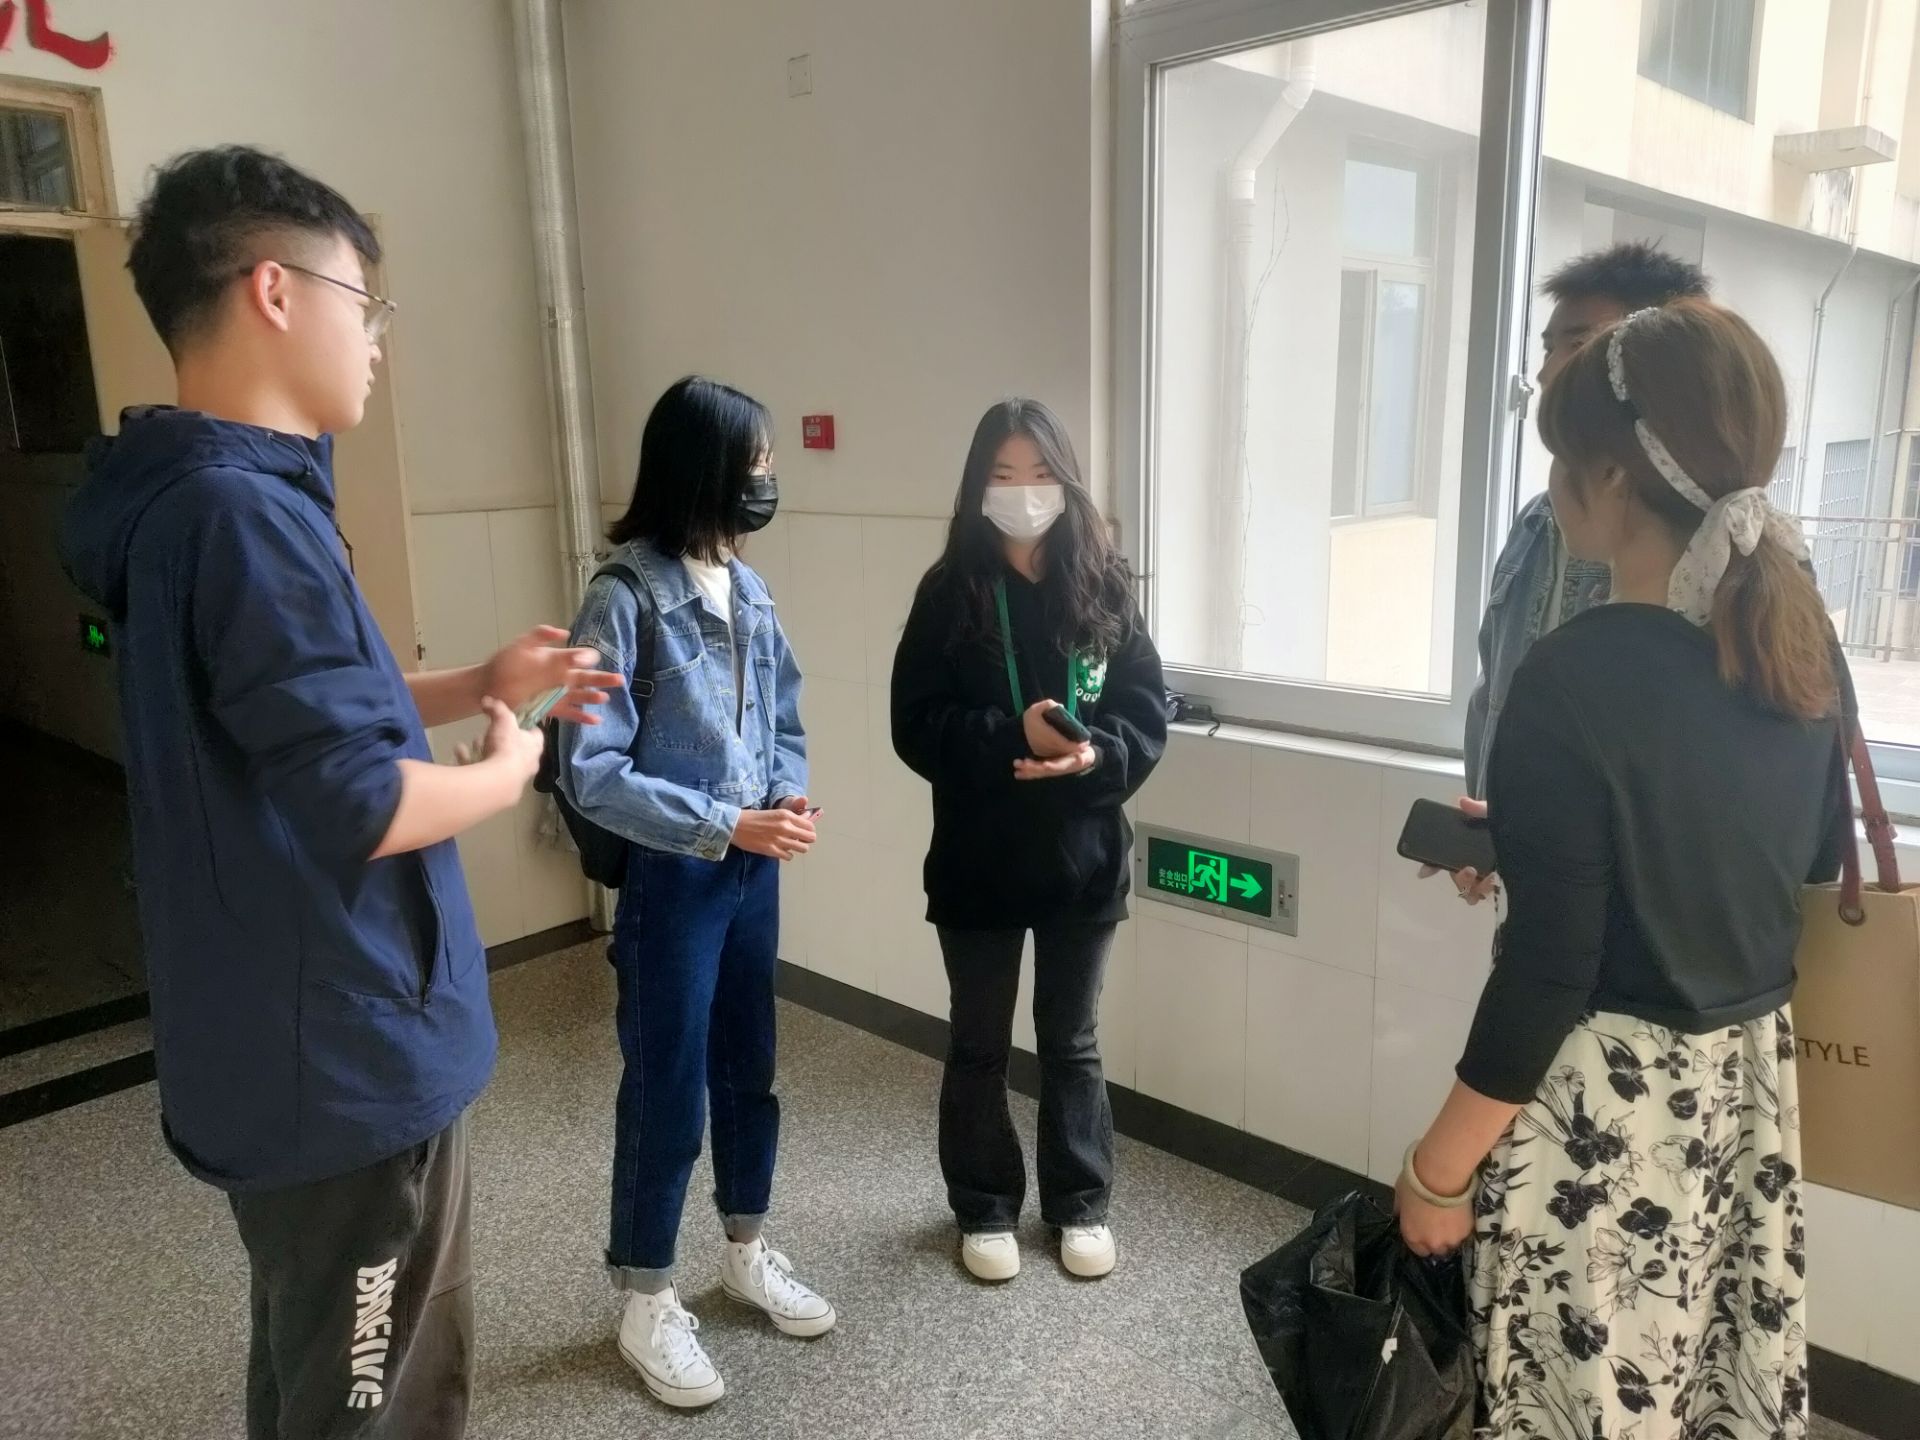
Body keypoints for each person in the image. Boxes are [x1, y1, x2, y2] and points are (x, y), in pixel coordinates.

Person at [58, 146, 619, 1440]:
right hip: (344, 1063)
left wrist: (477, 680)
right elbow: (361, 801)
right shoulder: (243, 517)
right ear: (274, 290)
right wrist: (511, 767)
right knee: (378, 1394)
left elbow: (298, 709)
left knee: (314, 1368)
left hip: (281, 1045)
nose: (374, 339)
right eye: (363, 303)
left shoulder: (193, 502)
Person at [1396, 300, 1846, 1440]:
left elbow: (1552, 969)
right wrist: (1547, 840)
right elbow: (1809, 855)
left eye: (1560, 455)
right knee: (1704, 1390)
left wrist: (1437, 1171)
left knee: (1585, 1401)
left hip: (1606, 1118)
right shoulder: (1799, 642)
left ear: (1609, 475)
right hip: (1742, 1102)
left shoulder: (1571, 676)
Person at [556, 376, 831, 1411]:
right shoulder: (622, 597)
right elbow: (590, 769)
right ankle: (646, 1297)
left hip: (752, 872)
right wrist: (725, 824)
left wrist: (784, 795)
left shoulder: (745, 586)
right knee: (667, 1085)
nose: (768, 478)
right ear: (704, 468)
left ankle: (746, 1249)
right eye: (756, 461)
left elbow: (784, 716)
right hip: (675, 878)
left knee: (748, 1069)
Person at [891, 399, 1167, 1284]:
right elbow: (915, 725)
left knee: (1071, 1040)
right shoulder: (949, 592)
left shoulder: (1105, 585)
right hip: (978, 859)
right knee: (978, 1040)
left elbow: (1144, 713)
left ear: (1067, 480)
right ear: (978, 486)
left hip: (1082, 858)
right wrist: (1012, 736)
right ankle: (983, 1205)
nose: (1022, 492)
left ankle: (1081, 1203)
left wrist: (1094, 755)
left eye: (1039, 474)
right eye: (1003, 476)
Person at [1438, 244, 1711, 900]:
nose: (1548, 370)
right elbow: (1496, 693)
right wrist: (1493, 827)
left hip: (1641, 914)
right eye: (1548, 345)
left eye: (1580, 343)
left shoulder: (1717, 546)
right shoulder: (1537, 522)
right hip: (1544, 891)